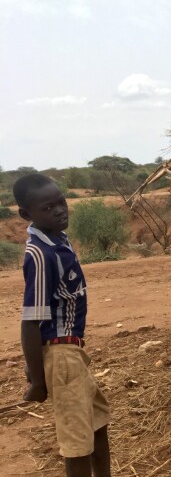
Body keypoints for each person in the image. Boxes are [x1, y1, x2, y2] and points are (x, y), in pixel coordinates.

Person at [13, 174, 111, 477]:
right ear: (27, 215)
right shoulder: (41, 255)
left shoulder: (58, 241)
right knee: (77, 444)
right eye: (48, 207)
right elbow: (31, 322)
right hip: (61, 354)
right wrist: (38, 379)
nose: (59, 210)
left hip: (72, 354)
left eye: (61, 202)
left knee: (98, 423)